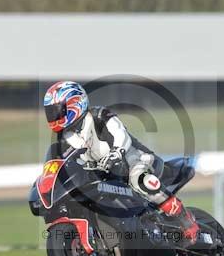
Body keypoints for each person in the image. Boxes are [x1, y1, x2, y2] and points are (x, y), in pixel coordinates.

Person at [43, 81, 200, 246]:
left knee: (140, 179)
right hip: (107, 174)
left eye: (57, 110)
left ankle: (185, 219)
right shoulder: (65, 139)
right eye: (50, 112)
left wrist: (116, 153)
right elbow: (65, 162)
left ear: (75, 104)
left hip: (135, 159)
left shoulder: (99, 116)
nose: (54, 116)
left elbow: (121, 136)